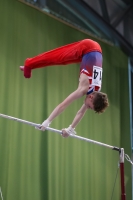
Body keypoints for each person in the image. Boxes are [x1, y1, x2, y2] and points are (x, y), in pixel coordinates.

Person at [20, 39, 109, 137]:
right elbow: (62, 105)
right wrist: (47, 121)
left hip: (94, 51)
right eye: (89, 106)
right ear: (91, 98)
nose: (87, 107)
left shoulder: (95, 93)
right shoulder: (82, 90)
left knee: (64, 61)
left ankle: (30, 66)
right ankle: (29, 63)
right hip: (88, 47)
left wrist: (70, 129)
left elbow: (80, 113)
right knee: (58, 58)